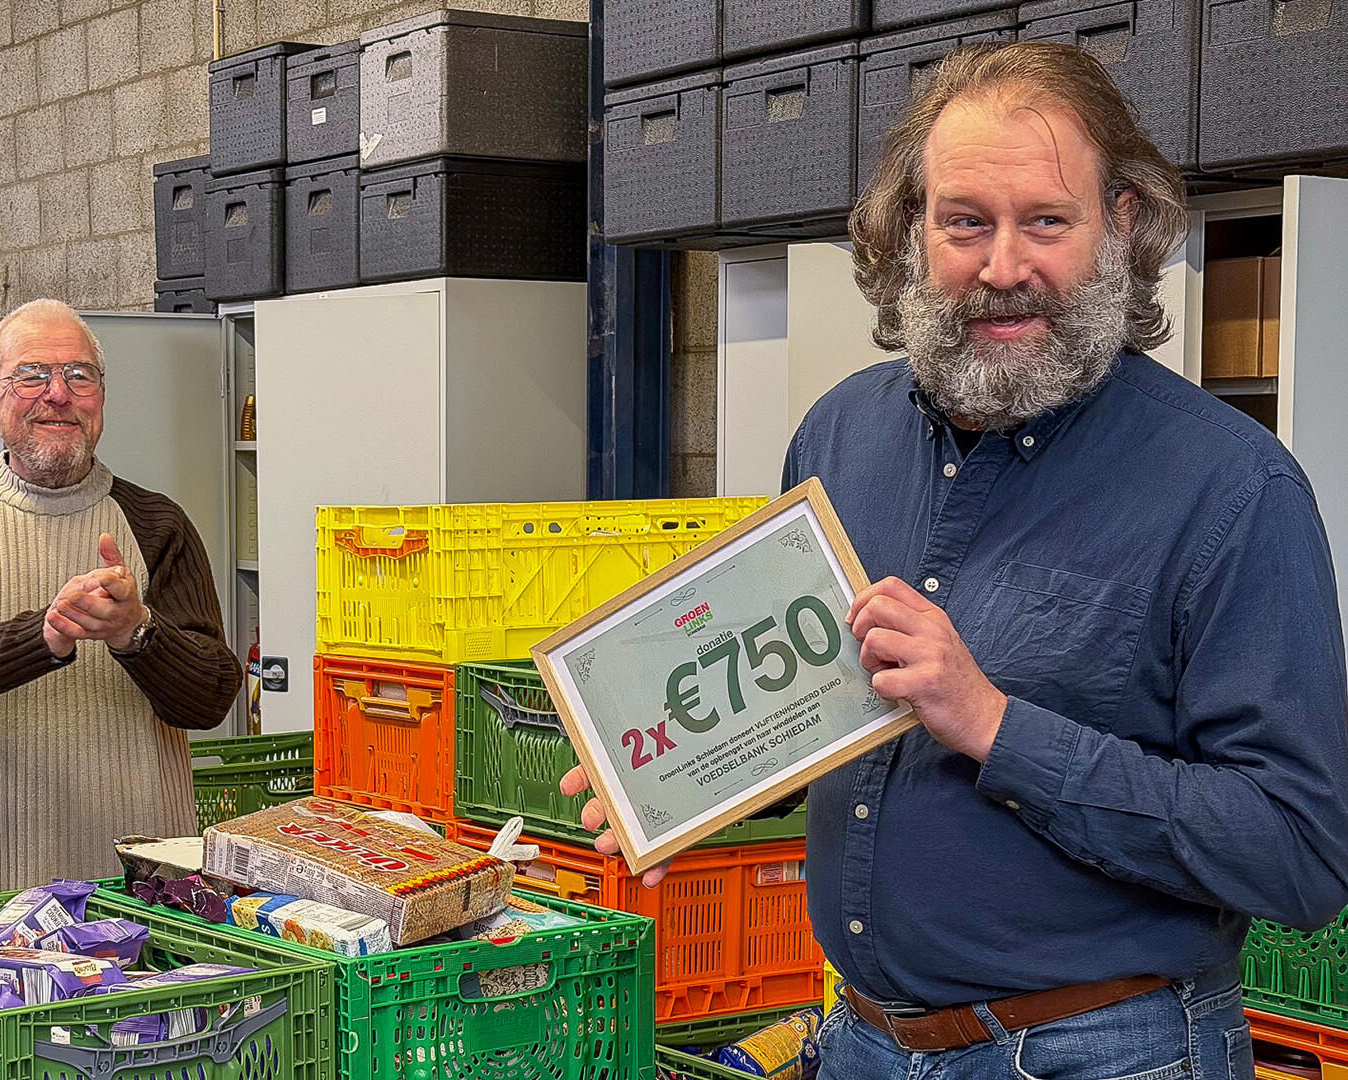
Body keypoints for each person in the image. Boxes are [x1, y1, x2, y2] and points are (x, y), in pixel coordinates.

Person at [565, 42, 1348, 1079]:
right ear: (910, 231)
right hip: (861, 1041)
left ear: (1121, 225)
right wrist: (675, 780)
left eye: (1047, 222)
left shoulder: (1234, 491)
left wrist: (995, 726)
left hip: (1107, 1053)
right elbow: (825, 709)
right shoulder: (838, 438)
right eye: (965, 221)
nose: (1002, 266)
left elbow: (1300, 853)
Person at [0, 298, 240, 899]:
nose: (58, 394)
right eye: (32, 375)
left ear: (101, 401)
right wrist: (42, 638)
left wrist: (137, 633)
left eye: (79, 375)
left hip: (139, 887)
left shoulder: (158, 524)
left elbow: (210, 700)